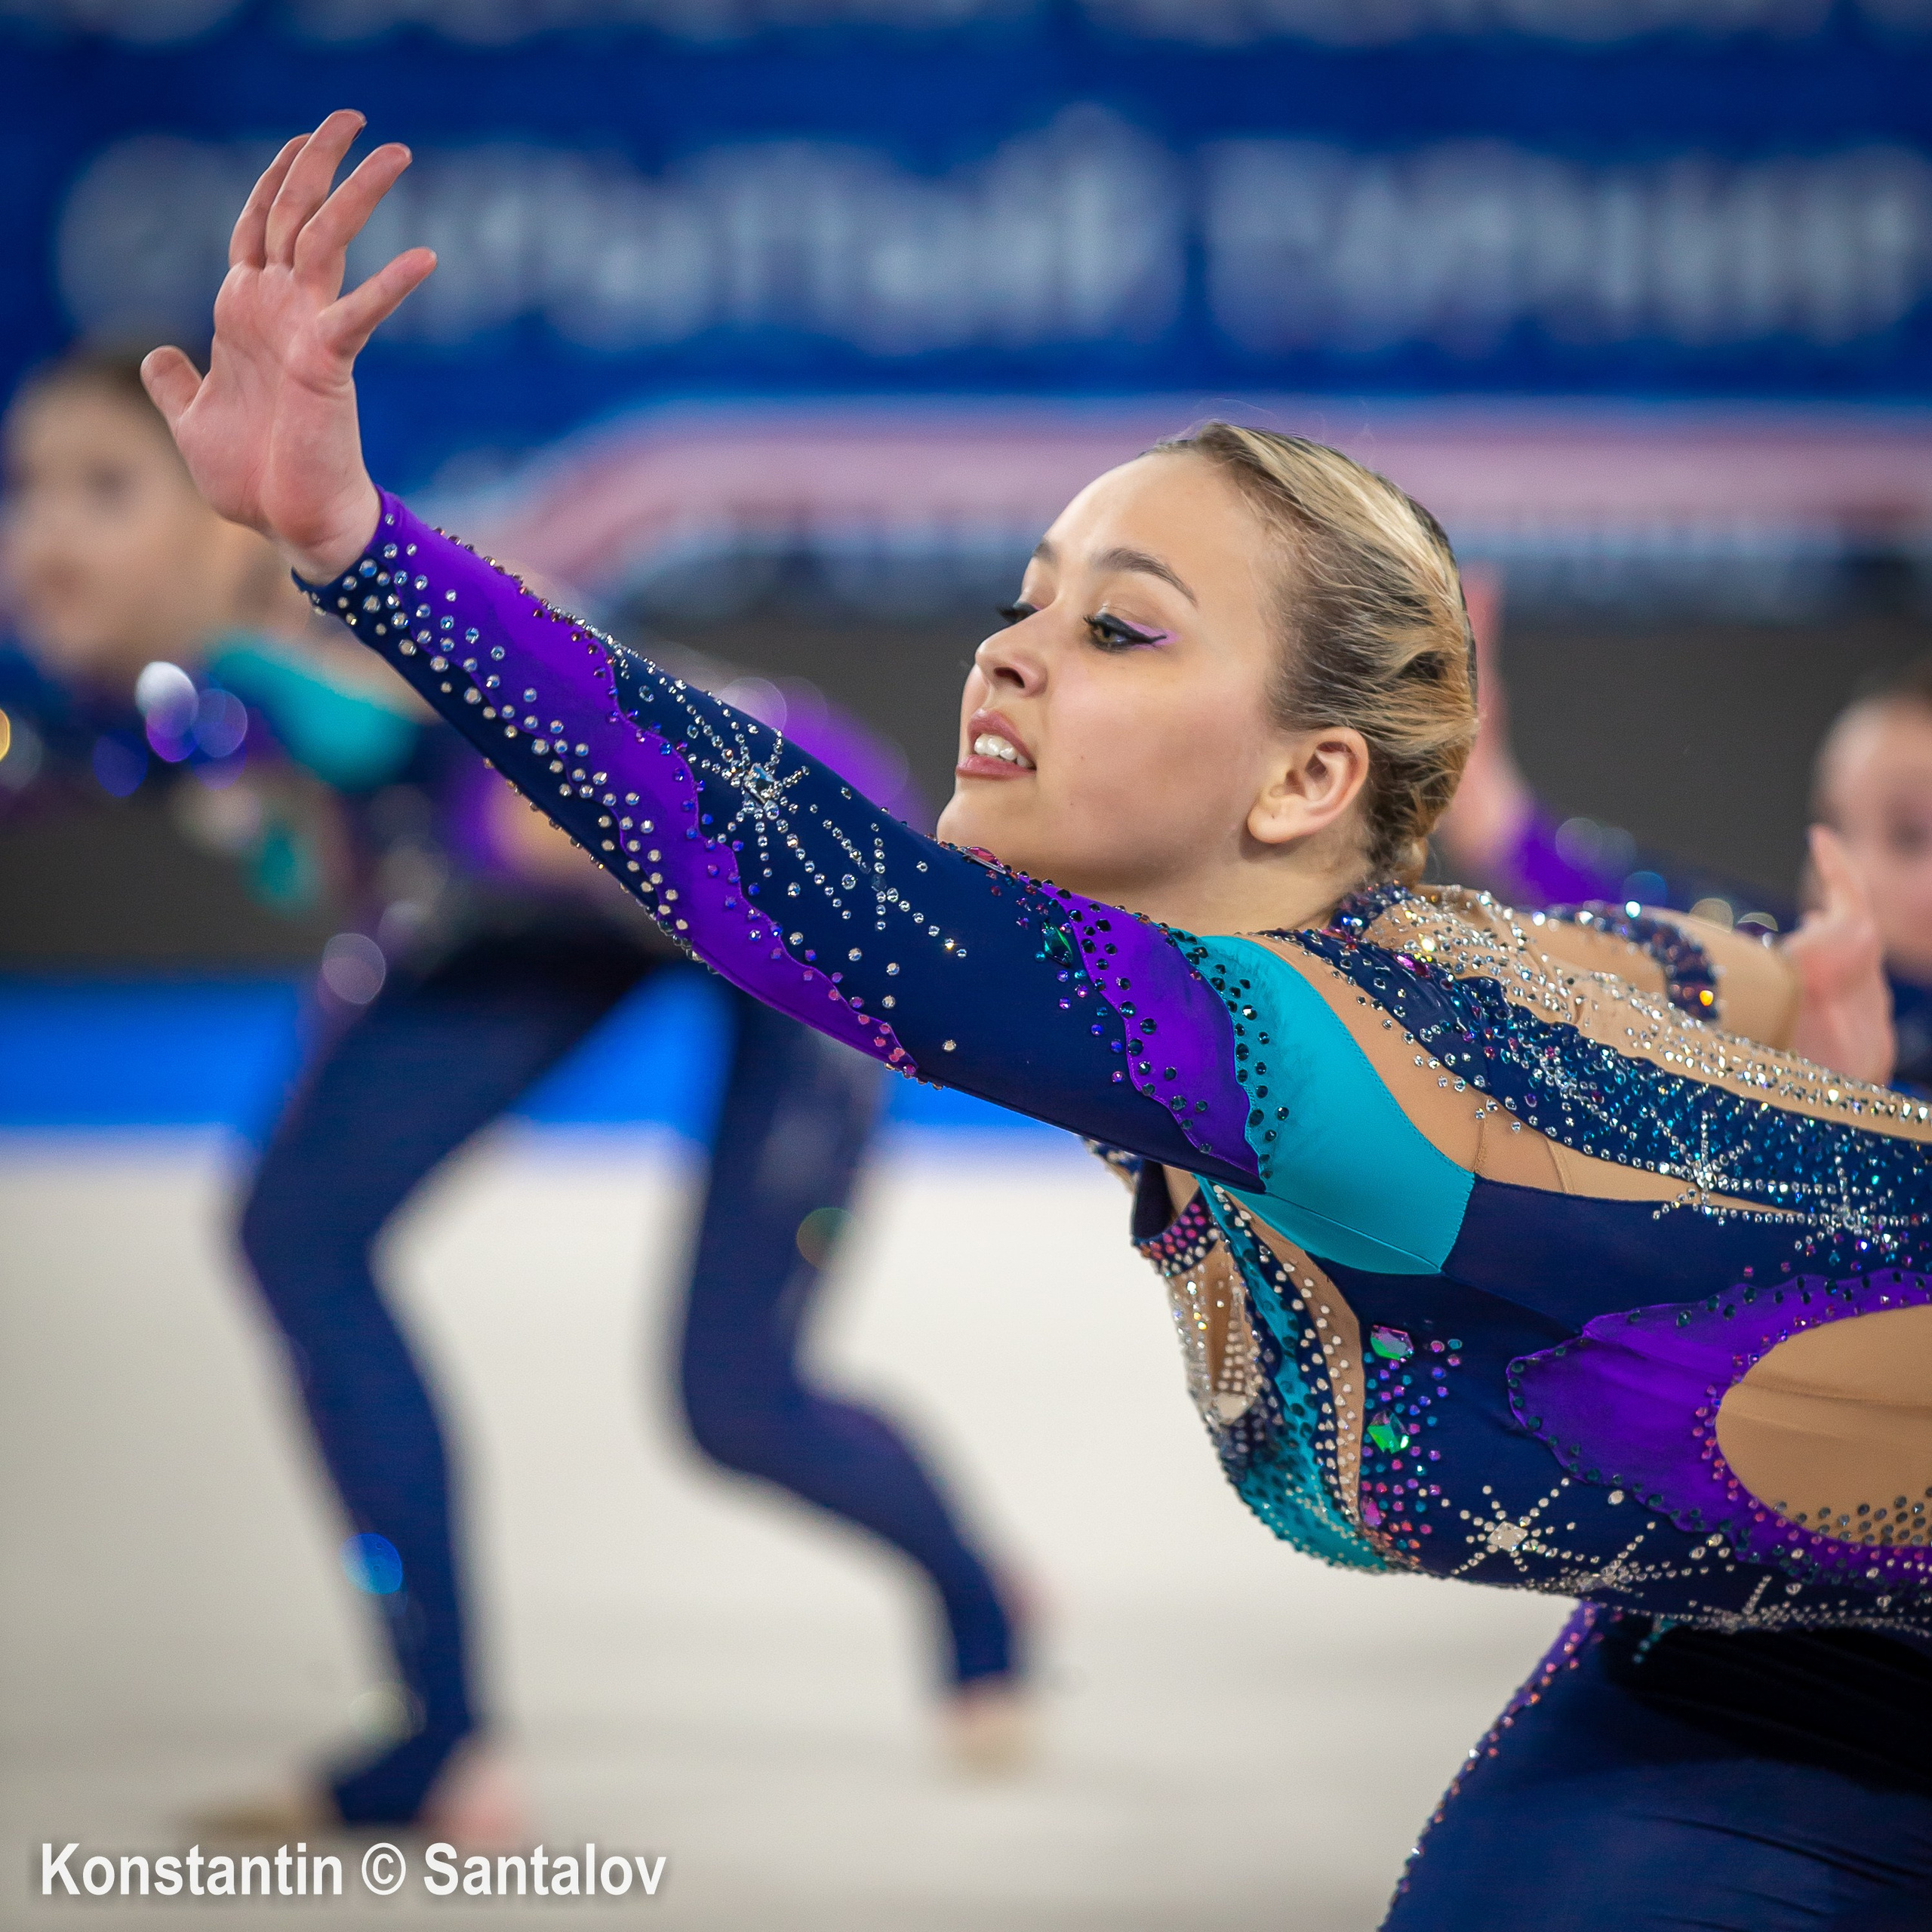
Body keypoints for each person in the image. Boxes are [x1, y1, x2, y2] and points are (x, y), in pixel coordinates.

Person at [146, 112, 1932, 1927]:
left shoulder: (1297, 1050)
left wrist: (362, 546)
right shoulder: (1451, 962)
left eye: (1120, 631)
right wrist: (1809, 995)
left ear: (1308, 773)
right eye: (1025, 603)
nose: (1008, 652)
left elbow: (795, 873)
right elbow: (1691, 962)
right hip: (1781, 1649)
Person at [2, 346, 1026, 1843]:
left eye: (105, 488)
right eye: (24, 487)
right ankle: (441, 1733)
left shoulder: (374, 683)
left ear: (233, 512)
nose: (46, 536)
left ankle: (979, 1600)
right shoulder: (189, 691)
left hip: (782, 897)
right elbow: (81, 757)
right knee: (298, 1226)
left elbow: (693, 816)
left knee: (731, 1396)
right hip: (521, 909)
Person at [1436, 572, 1931, 1093]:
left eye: (1910, 834)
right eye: (1832, 826)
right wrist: (1494, 816)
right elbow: (1674, 928)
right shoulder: (1801, 985)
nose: (1843, 870)